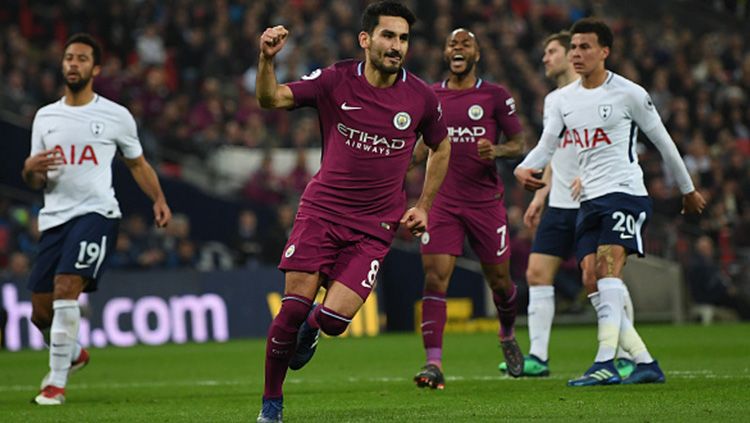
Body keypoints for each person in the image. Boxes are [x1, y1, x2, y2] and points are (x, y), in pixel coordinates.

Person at [254, 2, 450, 421]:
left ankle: (312, 330)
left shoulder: (420, 97)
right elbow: (271, 98)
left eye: (403, 38)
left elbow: (441, 144)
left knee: (335, 319)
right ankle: (271, 404)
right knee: (290, 309)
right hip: (322, 212)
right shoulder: (335, 79)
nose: (397, 46)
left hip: (375, 227)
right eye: (388, 36)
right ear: (366, 39)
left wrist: (425, 206)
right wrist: (266, 60)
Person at [514, 18, 705, 387]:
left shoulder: (629, 93)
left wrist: (687, 189)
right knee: (591, 278)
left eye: (585, 47)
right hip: (588, 200)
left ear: (605, 51)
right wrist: (526, 168)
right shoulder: (561, 101)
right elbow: (547, 145)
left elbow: (663, 141)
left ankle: (606, 361)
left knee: (607, 269)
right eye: (573, 48)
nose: (577, 54)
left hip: (625, 193)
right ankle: (645, 361)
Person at [22, 33, 171, 405]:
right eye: (69, 57)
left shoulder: (115, 115)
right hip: (55, 217)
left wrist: (158, 199)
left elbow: (137, 163)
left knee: (66, 288)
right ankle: (73, 352)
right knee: (40, 313)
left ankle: (55, 383)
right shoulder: (45, 117)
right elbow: (36, 177)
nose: (73, 63)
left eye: (82, 58)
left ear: (96, 68)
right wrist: (28, 169)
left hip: (98, 213)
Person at [499, 31, 635, 378]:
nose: (546, 58)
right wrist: (541, 195)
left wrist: (591, 178)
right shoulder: (557, 100)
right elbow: (552, 152)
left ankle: (625, 353)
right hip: (559, 202)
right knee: (536, 274)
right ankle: (538, 357)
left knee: (600, 278)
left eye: (552, 51)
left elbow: (615, 146)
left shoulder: (599, 96)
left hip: (593, 200)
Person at [409, 28, 525, 388]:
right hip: (441, 202)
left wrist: (498, 150)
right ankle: (433, 364)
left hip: (485, 204)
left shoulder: (495, 95)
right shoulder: (430, 95)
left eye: (466, 44)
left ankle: (506, 333)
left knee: (501, 282)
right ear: (445, 53)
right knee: (434, 277)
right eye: (452, 44)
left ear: (477, 54)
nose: (458, 49)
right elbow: (418, 149)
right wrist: (409, 157)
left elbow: (519, 142)